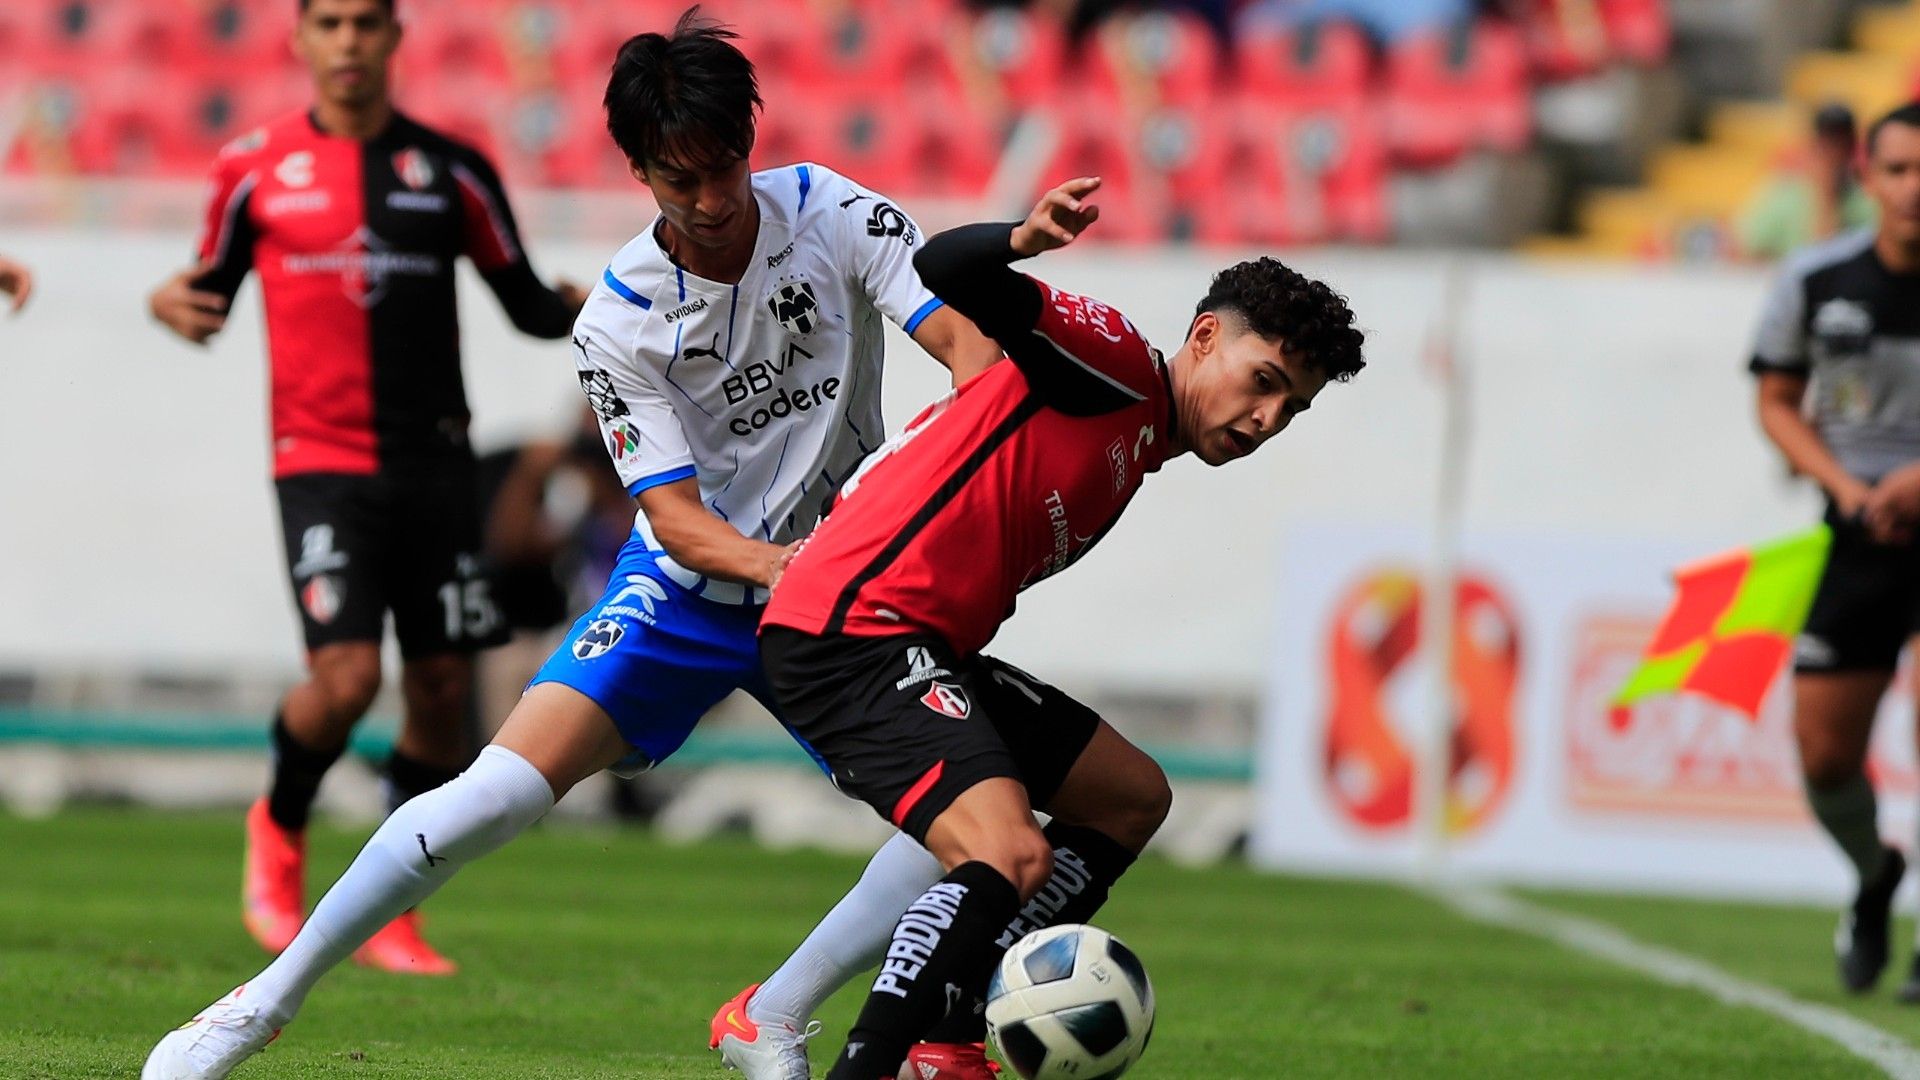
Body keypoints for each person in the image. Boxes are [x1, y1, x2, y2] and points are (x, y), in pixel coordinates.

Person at [142, 10, 1001, 1080]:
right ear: (639, 172)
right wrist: (801, 567)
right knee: (494, 793)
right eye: (678, 179)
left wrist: (915, 517)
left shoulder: (833, 211)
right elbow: (678, 516)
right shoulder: (620, 315)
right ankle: (256, 1008)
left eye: (725, 165)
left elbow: (970, 355)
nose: (712, 199)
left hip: (837, 604)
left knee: (971, 823)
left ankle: (772, 1013)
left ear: (751, 140)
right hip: (691, 589)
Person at [751, 175, 1365, 1080]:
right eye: (1264, 381)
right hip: (852, 631)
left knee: (1127, 796)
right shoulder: (1112, 362)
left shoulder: (1143, 434)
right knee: (1006, 847)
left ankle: (944, 1021)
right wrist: (1023, 239)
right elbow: (945, 264)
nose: (1268, 417)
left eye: (1292, 407)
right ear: (1204, 339)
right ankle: (900, 1054)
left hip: (916, 645)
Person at [144, 0, 585, 977]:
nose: (349, 42)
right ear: (302, 37)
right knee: (346, 682)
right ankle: (281, 824)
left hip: (436, 465)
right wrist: (166, 303)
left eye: (367, 24)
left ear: (395, 37)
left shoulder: (454, 168)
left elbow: (524, 303)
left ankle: (391, 908)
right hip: (321, 465)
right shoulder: (253, 167)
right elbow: (203, 294)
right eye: (330, 23)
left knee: (437, 691)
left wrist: (592, 306)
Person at [1749, 101, 1920, 999]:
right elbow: (1776, 399)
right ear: (1868, 181)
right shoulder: (1815, 279)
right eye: (1897, 170)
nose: (1914, 189)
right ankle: (1873, 873)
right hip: (1858, 538)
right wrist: (1852, 490)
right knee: (1824, 758)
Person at [1741, 102, 1880, 262]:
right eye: (1828, 143)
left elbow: (1830, 262)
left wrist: (1827, 199)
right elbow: (1744, 251)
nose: (1834, 152)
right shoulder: (1782, 194)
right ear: (1814, 145)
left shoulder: (1867, 200)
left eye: (1841, 143)